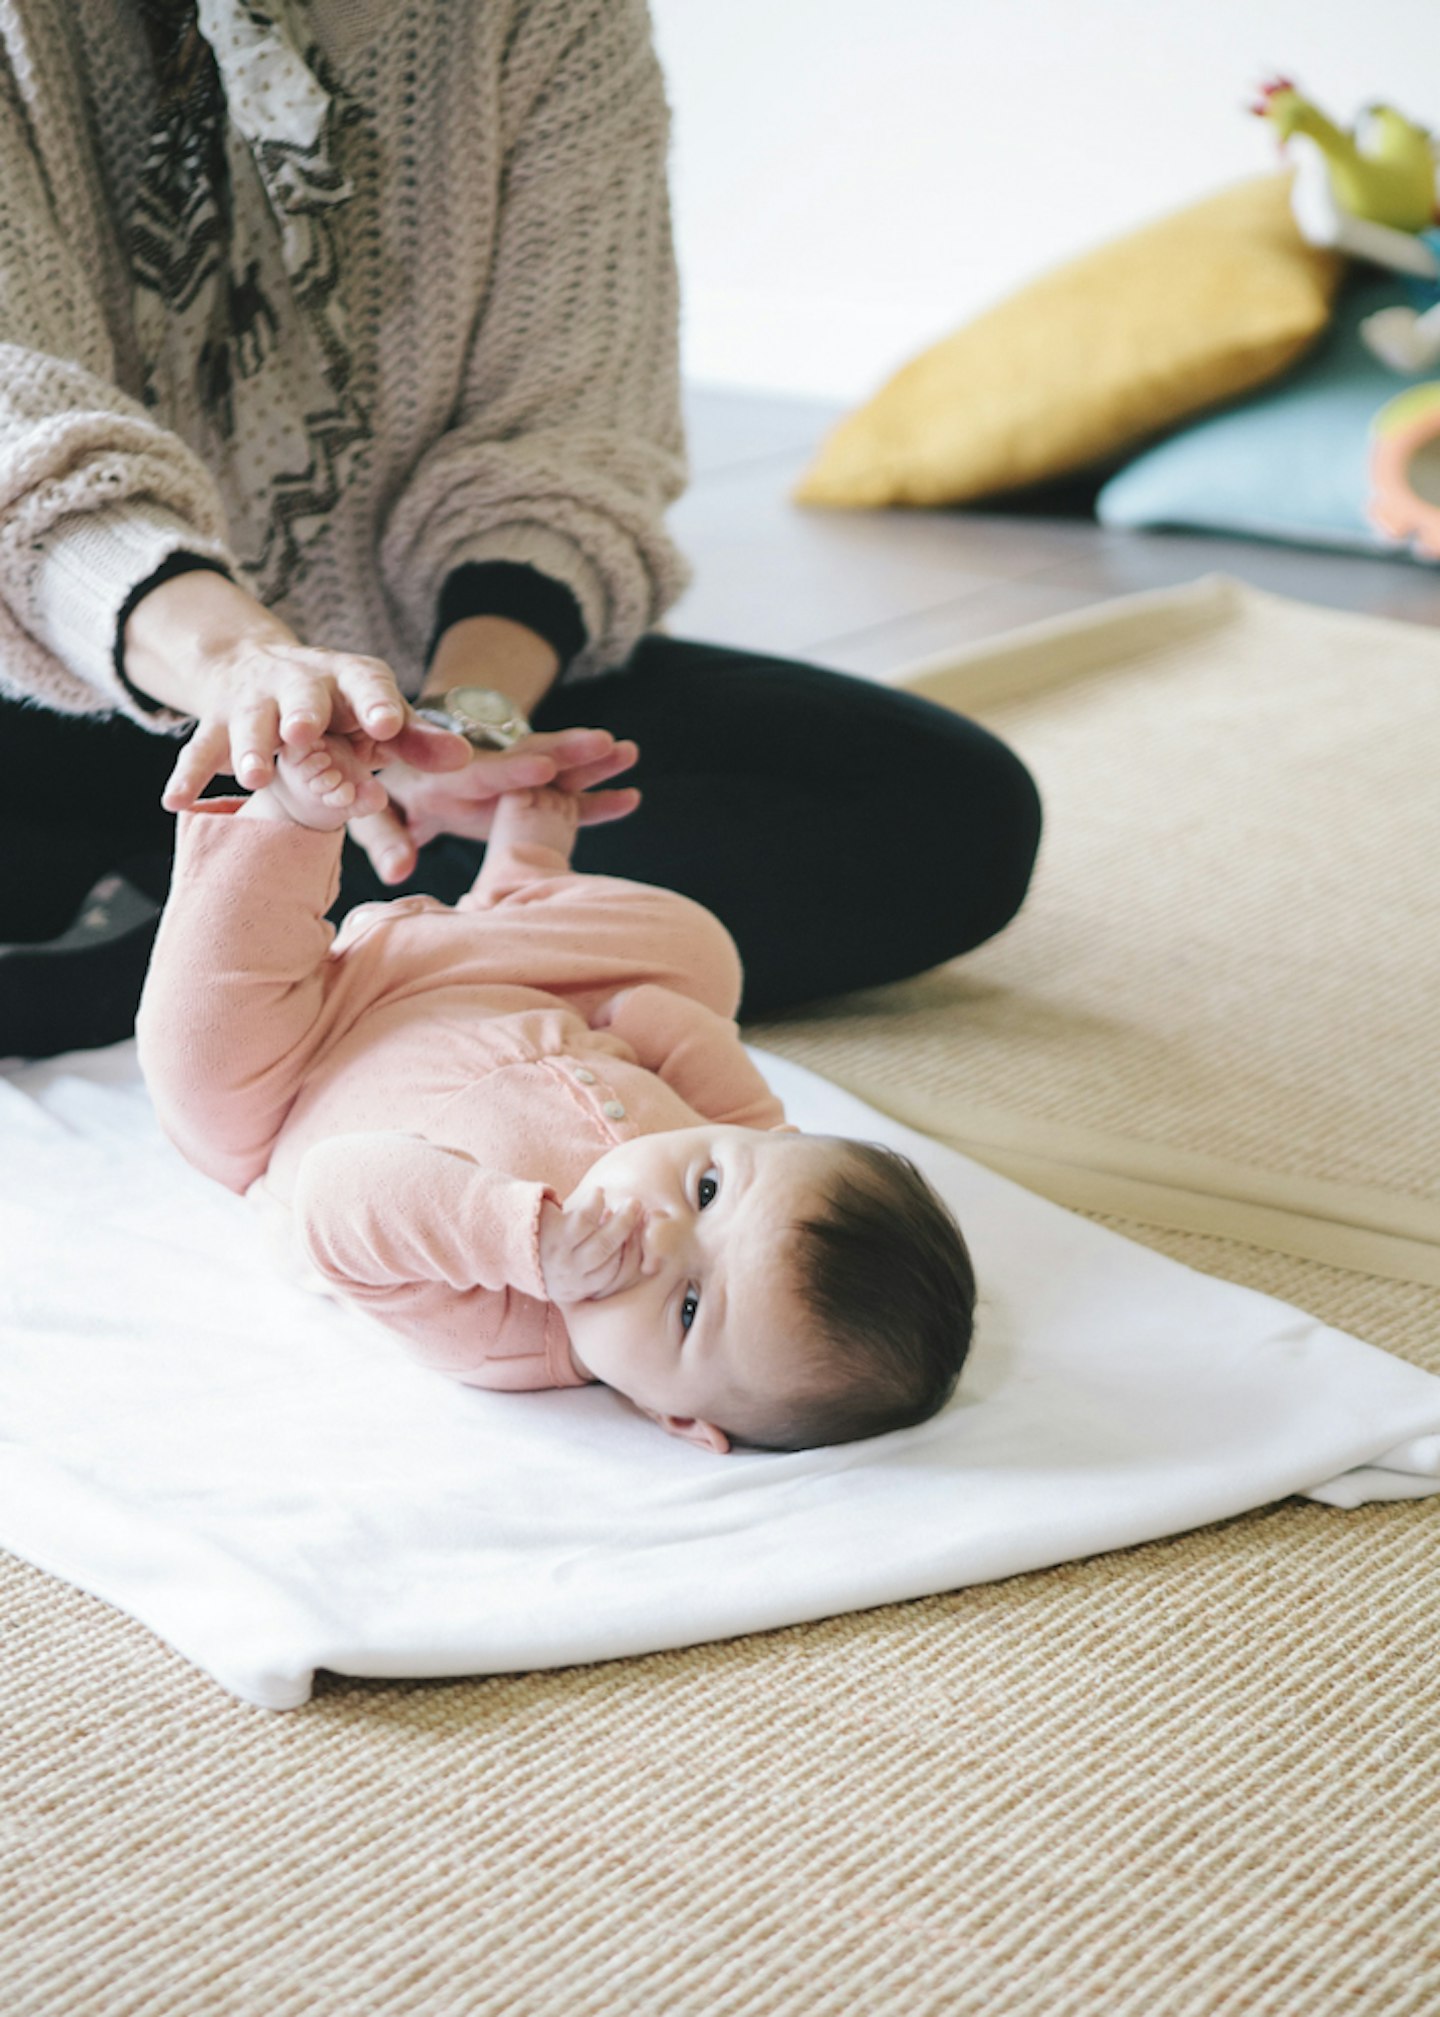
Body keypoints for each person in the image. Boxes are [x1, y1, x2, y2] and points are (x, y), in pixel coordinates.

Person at [0, 0, 1040, 1059]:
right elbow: (13, 428)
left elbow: (566, 443)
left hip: (398, 709)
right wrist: (239, 665)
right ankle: (314, 945)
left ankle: (205, 956)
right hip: (65, 679)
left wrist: (455, 732)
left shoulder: (557, 17)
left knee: (940, 817)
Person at [135, 725, 976, 1453]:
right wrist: (695, 1067)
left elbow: (336, 1193)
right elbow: (652, 1010)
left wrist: (523, 1240)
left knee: (194, 1054)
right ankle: (516, 883)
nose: (662, 1229)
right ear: (778, 1146)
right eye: (710, 1189)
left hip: (289, 1076)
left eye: (687, 1308)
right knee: (702, 954)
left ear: (672, 1415)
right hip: (489, 982)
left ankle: (285, 825)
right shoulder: (736, 1133)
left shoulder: (500, 1336)